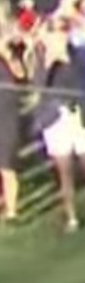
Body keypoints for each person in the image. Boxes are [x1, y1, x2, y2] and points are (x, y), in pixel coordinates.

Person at [38, 25, 85, 233]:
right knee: (64, 171)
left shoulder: (82, 55)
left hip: (82, 116)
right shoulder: (42, 59)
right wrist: (48, 65)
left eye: (60, 34)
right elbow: (38, 87)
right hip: (56, 119)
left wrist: (66, 59)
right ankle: (71, 217)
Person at [0, 34, 27, 222]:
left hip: (7, 116)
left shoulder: (10, 57)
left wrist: (7, 55)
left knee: (7, 165)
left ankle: (11, 210)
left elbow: (21, 75)